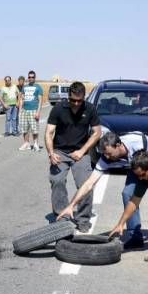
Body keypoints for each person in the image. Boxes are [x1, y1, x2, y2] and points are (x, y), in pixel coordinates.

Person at [57, 131, 148, 248]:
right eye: (104, 154)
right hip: (135, 166)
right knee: (127, 194)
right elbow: (89, 183)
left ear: (118, 145)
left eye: (109, 153)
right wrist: (71, 205)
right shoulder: (106, 158)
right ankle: (135, 237)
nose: (107, 157)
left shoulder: (137, 143)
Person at [45, 82, 101, 232]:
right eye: (73, 100)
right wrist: (51, 153)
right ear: (68, 97)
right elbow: (49, 132)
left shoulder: (89, 109)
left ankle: (83, 219)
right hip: (60, 151)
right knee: (57, 180)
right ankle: (61, 216)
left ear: (84, 97)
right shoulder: (58, 108)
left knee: (86, 184)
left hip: (80, 152)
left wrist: (82, 151)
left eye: (79, 100)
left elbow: (97, 132)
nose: (76, 103)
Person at [19, 70, 44, 151]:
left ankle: (36, 144)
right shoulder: (25, 87)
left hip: (33, 110)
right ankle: (26, 143)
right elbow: (22, 99)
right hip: (24, 110)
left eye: (32, 77)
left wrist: (38, 112)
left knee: (34, 128)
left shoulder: (38, 87)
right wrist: (20, 110)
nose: (31, 78)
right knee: (24, 128)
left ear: (35, 78)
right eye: (29, 77)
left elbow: (40, 100)